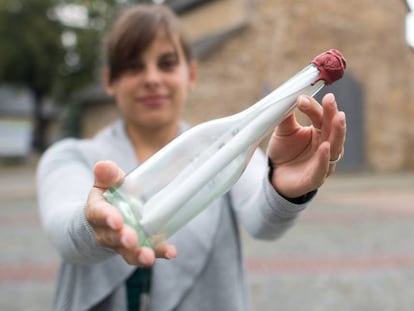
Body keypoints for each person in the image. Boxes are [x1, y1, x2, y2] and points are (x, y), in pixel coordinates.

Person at [37, 3, 346, 311]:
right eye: (133, 67)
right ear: (109, 81)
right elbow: (65, 232)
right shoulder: (70, 157)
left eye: (167, 63)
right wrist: (96, 224)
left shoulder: (226, 151)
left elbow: (262, 221)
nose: (152, 78)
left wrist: (282, 188)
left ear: (192, 74)